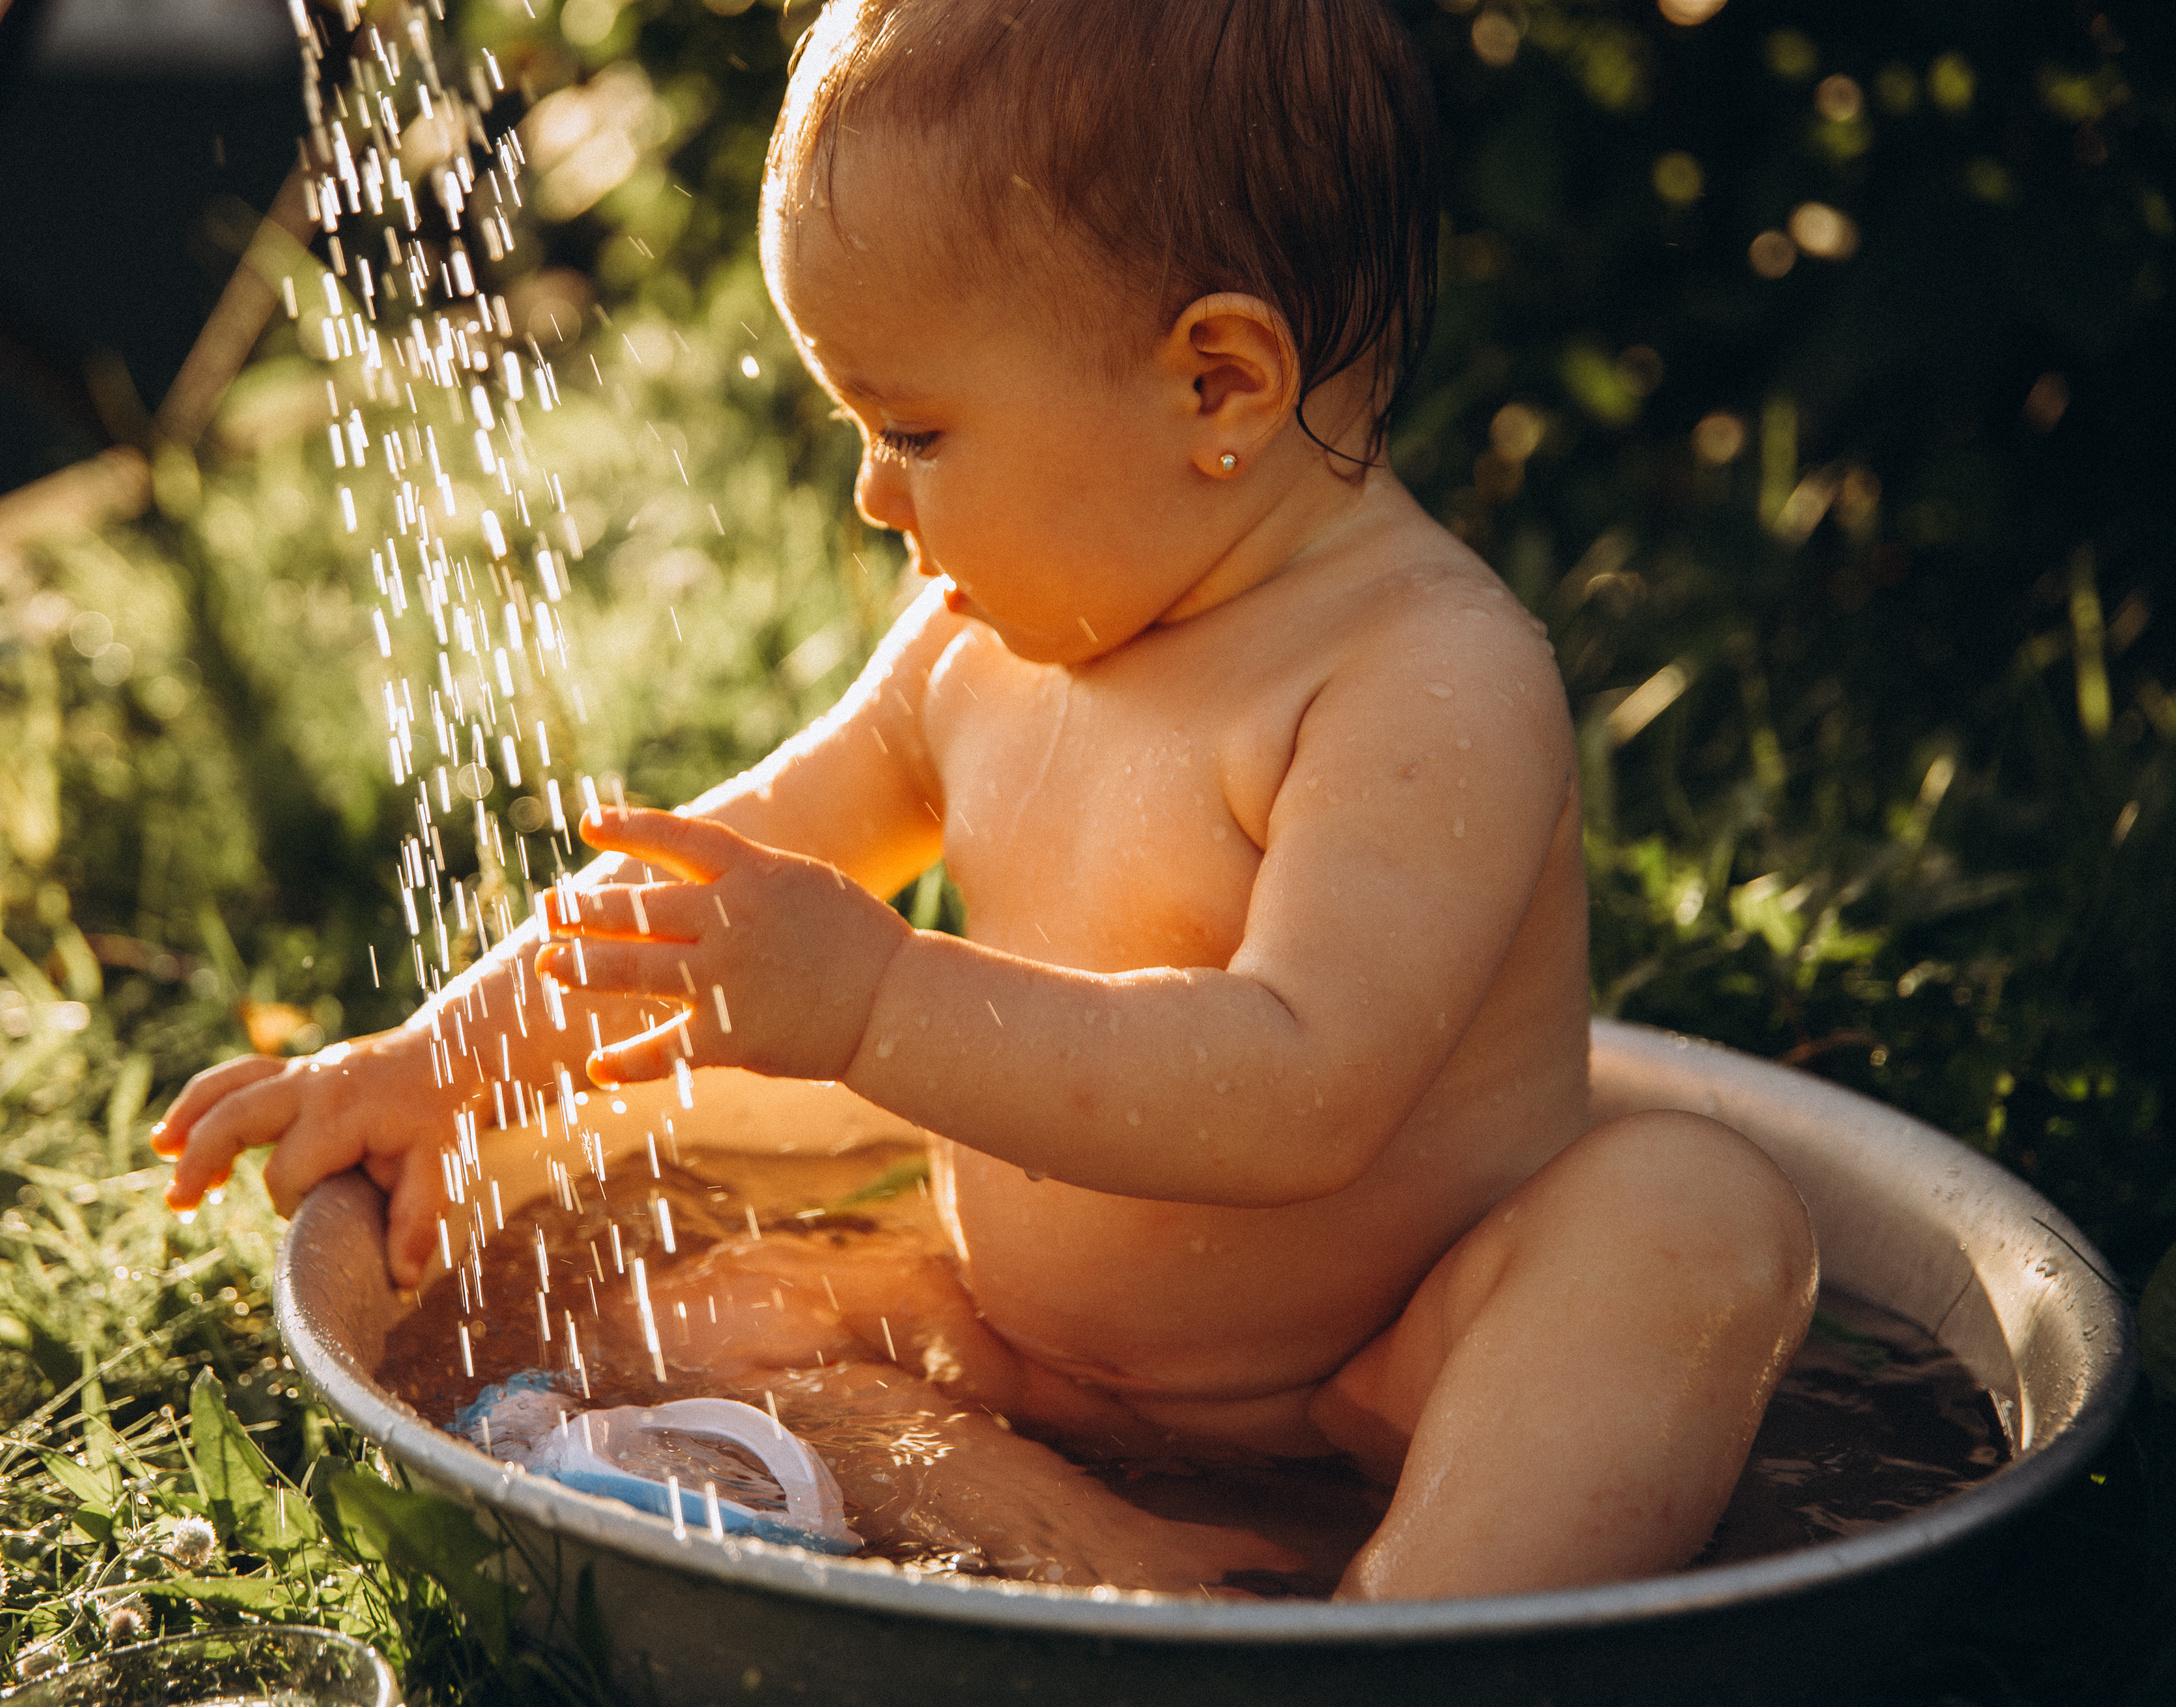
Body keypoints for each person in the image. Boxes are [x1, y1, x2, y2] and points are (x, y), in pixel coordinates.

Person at [155, 0, 1817, 1600]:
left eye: (917, 426)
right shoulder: (976, 646)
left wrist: (882, 1003)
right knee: (657, 1335)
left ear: (1219, 386)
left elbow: (1307, 1087)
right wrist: (438, 1064)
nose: (874, 491)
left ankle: (1414, 1623)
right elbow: (706, 894)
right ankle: (1113, 1568)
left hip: (1390, 1370)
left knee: (1684, 1217)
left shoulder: (1418, 681)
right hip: (1016, 1342)